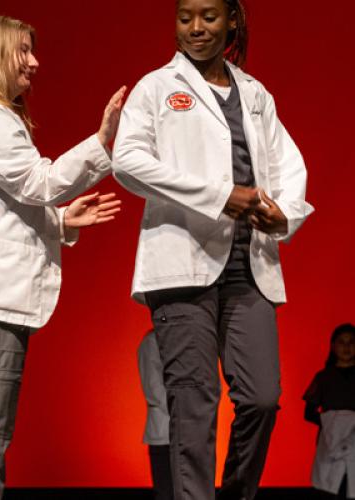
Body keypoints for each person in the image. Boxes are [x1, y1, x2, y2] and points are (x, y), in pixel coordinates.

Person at [113, 0, 314, 498]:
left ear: (231, 22)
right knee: (194, 401)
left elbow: (290, 166)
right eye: (185, 18)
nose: (196, 28)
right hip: (182, 266)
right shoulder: (157, 88)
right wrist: (219, 197)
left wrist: (284, 212)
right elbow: (128, 160)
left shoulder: (254, 92)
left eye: (208, 16)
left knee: (263, 399)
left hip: (250, 265)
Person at [0, 14, 125, 500]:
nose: (34, 62)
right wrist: (101, 143)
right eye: (23, 51)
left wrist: (60, 222)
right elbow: (37, 183)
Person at [303, 324, 355, 499]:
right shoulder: (324, 377)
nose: (346, 347)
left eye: (351, 342)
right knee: (332, 488)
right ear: (333, 346)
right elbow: (309, 412)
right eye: (342, 342)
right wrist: (333, 424)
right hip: (330, 441)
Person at [138, 330, 174, 500]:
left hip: (189, 434)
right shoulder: (152, 341)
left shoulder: (188, 338)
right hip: (164, 434)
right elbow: (154, 389)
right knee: (166, 493)